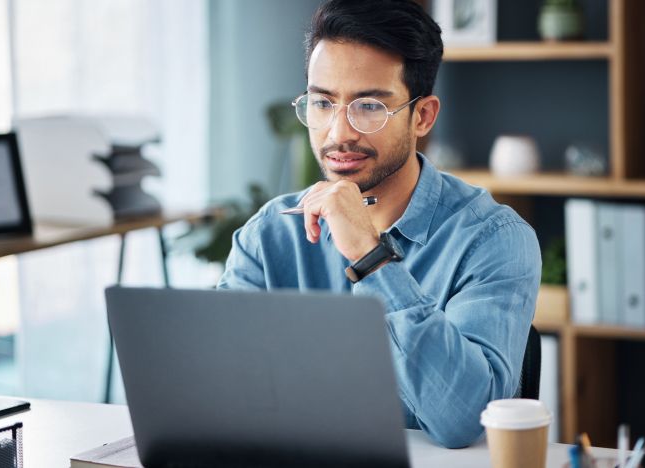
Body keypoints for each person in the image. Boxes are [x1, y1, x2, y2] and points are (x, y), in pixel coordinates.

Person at [218, 0, 541, 448]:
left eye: (369, 106)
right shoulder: (269, 234)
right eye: (322, 103)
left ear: (423, 116)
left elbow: (465, 420)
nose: (338, 133)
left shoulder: (494, 239)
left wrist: (372, 258)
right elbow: (217, 393)